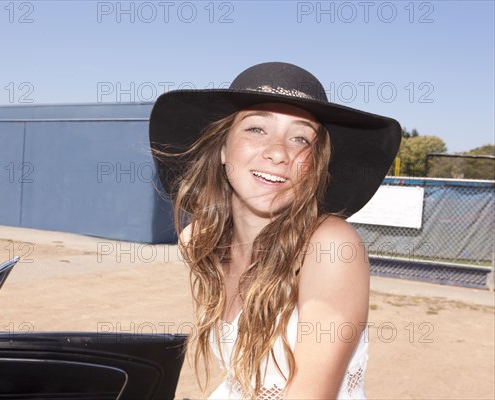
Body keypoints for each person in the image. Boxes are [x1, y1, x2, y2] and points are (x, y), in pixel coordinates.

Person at [149, 62, 401, 399]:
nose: (279, 153)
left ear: (314, 165)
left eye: (300, 138)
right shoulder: (200, 242)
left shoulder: (330, 246)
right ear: (223, 148)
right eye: (257, 129)